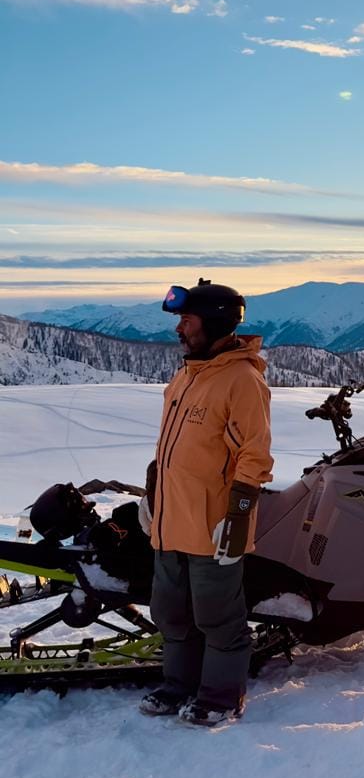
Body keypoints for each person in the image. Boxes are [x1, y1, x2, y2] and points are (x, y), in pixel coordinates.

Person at [139, 279, 273, 727]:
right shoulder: (186, 375)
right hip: (171, 521)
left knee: (218, 617)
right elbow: (171, 449)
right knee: (171, 613)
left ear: (214, 322)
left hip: (213, 525)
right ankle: (178, 685)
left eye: (187, 320)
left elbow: (254, 455)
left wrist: (238, 516)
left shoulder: (242, 380)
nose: (179, 328)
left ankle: (220, 696)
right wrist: (153, 495)